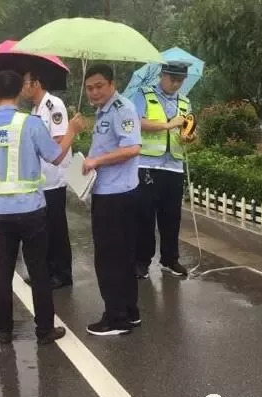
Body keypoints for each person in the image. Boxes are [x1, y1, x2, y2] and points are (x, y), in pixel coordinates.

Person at [0, 70, 84, 345]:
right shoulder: (30, 124)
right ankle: (44, 330)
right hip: (32, 211)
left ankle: (4, 330)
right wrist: (72, 131)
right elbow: (55, 156)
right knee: (39, 270)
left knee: (3, 270)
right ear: (18, 93)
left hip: (0, 212)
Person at [81, 64, 142, 336]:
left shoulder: (122, 109)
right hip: (113, 192)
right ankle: (129, 311)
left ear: (112, 84)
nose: (93, 92)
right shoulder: (104, 110)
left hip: (115, 196)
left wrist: (96, 160)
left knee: (109, 259)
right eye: (89, 87)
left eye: (99, 86)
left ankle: (116, 318)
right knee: (123, 256)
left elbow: (132, 147)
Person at [131, 61, 196, 279]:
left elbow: (190, 129)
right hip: (148, 165)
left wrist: (190, 136)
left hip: (174, 166)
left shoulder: (185, 102)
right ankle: (141, 261)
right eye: (173, 79)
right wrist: (167, 125)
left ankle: (170, 259)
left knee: (171, 216)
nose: (177, 84)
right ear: (163, 75)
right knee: (145, 217)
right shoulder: (145, 95)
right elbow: (136, 121)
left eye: (181, 81)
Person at [22, 70, 73, 289]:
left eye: (25, 83)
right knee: (43, 229)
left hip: (53, 178)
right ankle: (46, 271)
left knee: (56, 228)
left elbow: (60, 140)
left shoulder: (54, 105)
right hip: (40, 180)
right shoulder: (35, 109)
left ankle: (62, 273)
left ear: (36, 83)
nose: (22, 88)